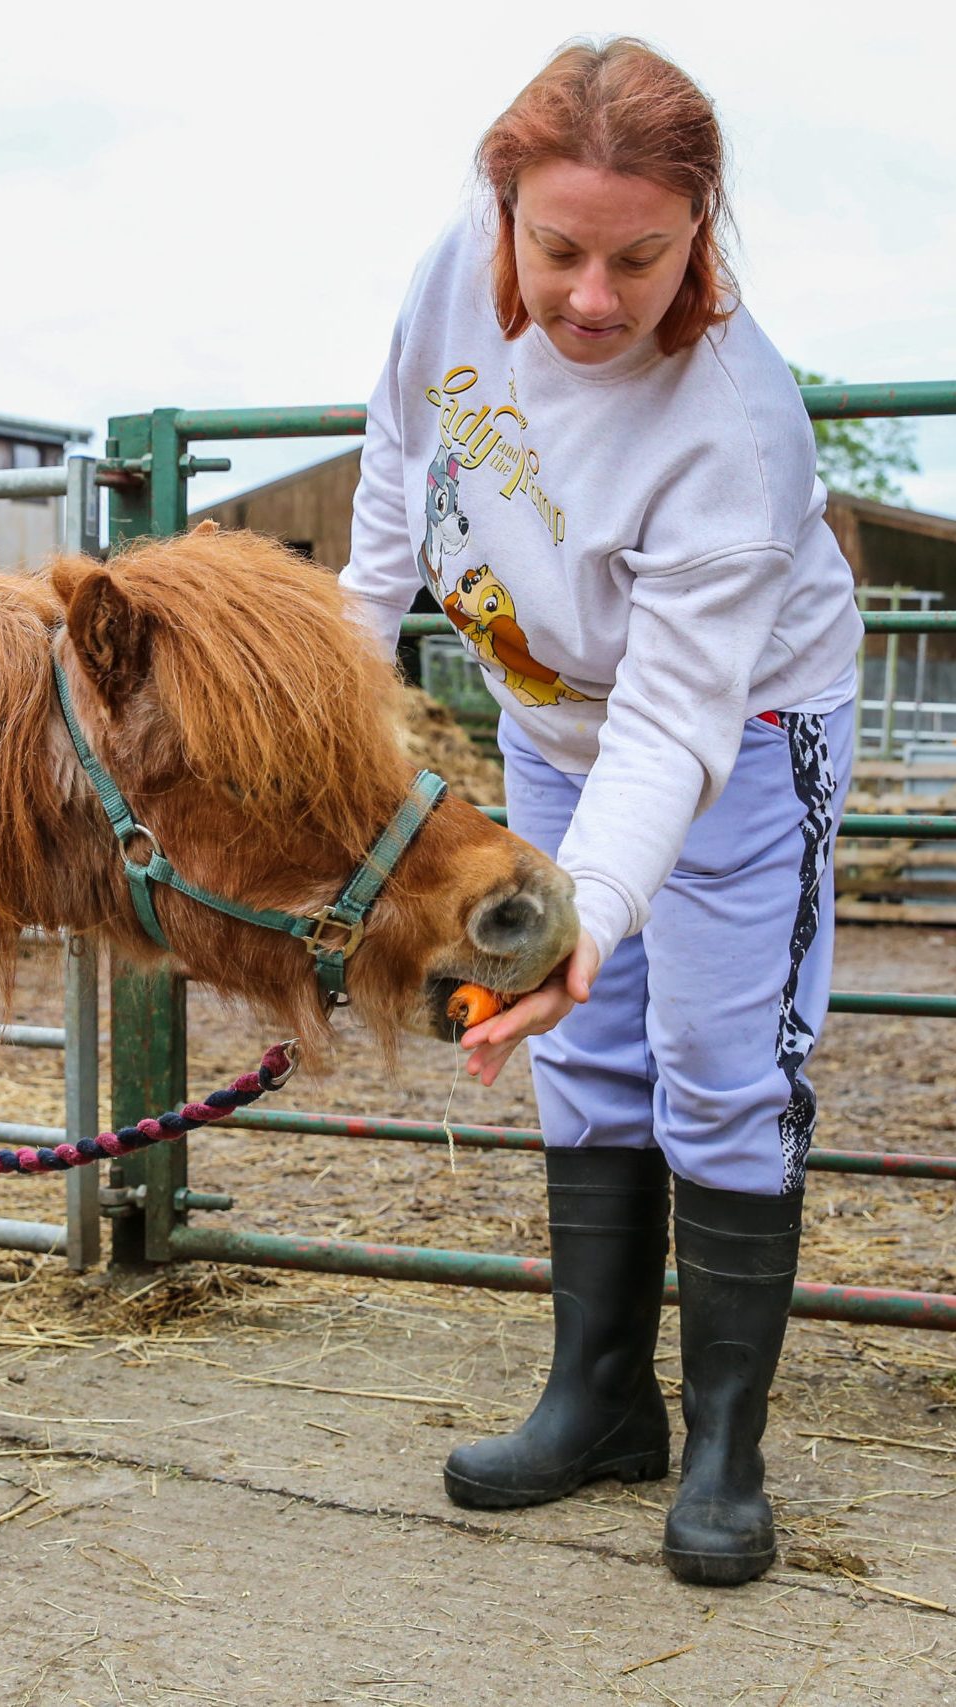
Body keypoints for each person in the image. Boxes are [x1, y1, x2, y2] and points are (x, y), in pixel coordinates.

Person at [339, 36, 863, 1588]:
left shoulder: (731, 428)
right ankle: (600, 1401)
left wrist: (595, 917)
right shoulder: (453, 275)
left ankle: (723, 1447)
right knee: (587, 1058)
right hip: (552, 716)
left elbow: (677, 722)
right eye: (558, 246)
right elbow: (397, 471)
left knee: (719, 1065)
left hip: (738, 733)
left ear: (701, 230)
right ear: (502, 211)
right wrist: (333, 699)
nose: (589, 296)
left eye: (641, 258)